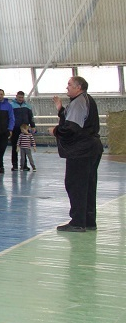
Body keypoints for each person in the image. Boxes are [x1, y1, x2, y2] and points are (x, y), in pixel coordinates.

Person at [52, 76, 103, 232]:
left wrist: (55, 131)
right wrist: (60, 110)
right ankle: (88, 221)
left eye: (69, 84)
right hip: (91, 148)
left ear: (78, 87)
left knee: (76, 185)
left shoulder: (79, 102)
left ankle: (77, 222)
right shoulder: (85, 100)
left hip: (81, 150)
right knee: (88, 185)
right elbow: (74, 119)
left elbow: (71, 128)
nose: (66, 87)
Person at [10, 91, 35, 171]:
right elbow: (9, 117)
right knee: (15, 147)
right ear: (16, 96)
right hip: (15, 129)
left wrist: (33, 126)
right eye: (19, 97)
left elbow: (31, 116)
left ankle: (24, 165)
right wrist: (10, 128)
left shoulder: (27, 106)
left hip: (25, 129)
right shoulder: (11, 105)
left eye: (22, 97)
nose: (20, 99)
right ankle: (15, 165)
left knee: (25, 147)